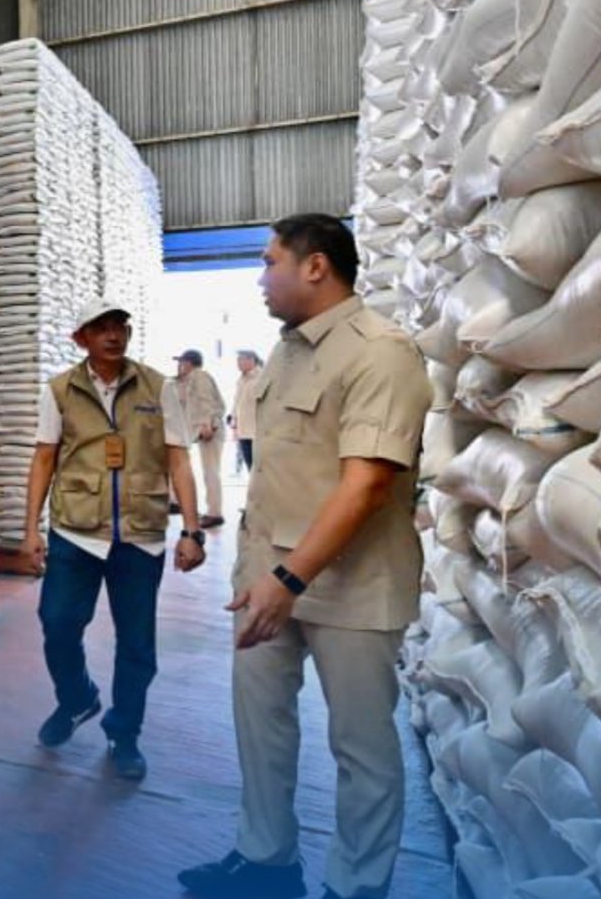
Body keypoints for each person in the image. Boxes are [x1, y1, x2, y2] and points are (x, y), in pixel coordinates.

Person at [179, 214, 431, 899]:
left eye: (269, 261)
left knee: (361, 747)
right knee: (260, 727)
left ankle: (356, 886)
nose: (260, 277)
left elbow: (368, 481)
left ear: (315, 265)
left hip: (348, 584)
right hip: (265, 577)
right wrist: (263, 571)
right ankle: (265, 860)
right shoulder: (287, 350)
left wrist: (291, 577)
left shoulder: (381, 351)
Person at [21, 298, 206, 782]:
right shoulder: (60, 390)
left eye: (119, 326)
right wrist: (29, 530)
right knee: (57, 622)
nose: (113, 335)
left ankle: (124, 733)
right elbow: (44, 459)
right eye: (100, 328)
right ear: (80, 338)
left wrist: (191, 529)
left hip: (139, 535)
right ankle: (78, 698)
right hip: (75, 531)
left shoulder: (157, 387)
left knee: (137, 644)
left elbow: (179, 459)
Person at [175, 348, 227, 528]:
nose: (179, 365)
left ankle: (215, 513)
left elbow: (208, 402)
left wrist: (207, 424)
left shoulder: (200, 376)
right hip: (201, 430)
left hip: (210, 429)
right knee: (207, 471)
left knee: (211, 472)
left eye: (181, 362)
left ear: (189, 362)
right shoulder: (189, 380)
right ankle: (211, 511)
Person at [231, 349, 264, 473]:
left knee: (259, 470)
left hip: (257, 432)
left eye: (241, 360)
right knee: (250, 468)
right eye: (238, 360)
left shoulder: (261, 377)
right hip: (243, 431)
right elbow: (237, 403)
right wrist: (234, 424)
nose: (238, 363)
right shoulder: (241, 380)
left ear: (251, 360)